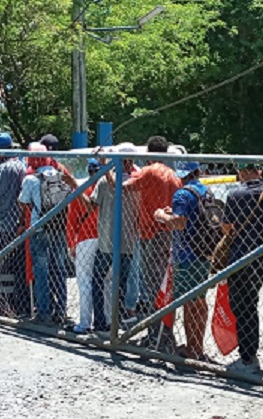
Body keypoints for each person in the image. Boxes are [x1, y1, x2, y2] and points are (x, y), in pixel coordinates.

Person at [120, 136, 181, 344]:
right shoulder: (173, 175)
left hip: (150, 233)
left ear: (149, 151)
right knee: (163, 286)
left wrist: (110, 171)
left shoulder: (148, 171)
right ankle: (163, 332)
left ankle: (157, 336)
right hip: (168, 233)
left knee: (152, 286)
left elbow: (125, 187)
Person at [154, 161, 212, 361]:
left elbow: (179, 223)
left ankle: (191, 349)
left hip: (185, 255)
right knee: (201, 301)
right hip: (204, 253)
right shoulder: (206, 191)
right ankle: (199, 346)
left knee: (188, 302)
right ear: (197, 172)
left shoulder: (181, 194)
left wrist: (161, 216)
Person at [223, 163, 263, 373]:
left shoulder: (235, 195)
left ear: (242, 172)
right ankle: (250, 353)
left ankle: (246, 355)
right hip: (262, 257)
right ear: (259, 172)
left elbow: (227, 227)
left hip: (239, 256)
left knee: (240, 305)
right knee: (252, 303)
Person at [18, 143, 72, 324]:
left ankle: (44, 312)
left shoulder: (31, 179)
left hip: (39, 228)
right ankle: (61, 310)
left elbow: (24, 202)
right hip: (59, 227)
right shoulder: (62, 176)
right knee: (59, 268)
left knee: (41, 270)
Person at [90, 145, 141, 332]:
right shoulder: (138, 182)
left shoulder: (105, 181)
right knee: (121, 282)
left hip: (106, 240)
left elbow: (92, 205)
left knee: (98, 280)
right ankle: (116, 320)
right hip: (128, 241)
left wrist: (76, 190)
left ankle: (101, 322)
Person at [0, 132, 27, 316]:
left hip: (2, 222)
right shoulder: (21, 164)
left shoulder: (4, 168)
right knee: (14, 264)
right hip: (16, 220)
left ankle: (3, 304)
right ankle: (16, 303)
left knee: (1, 265)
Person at [66, 158, 101, 333]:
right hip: (106, 240)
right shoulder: (110, 189)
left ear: (89, 171)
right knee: (107, 282)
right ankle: (107, 322)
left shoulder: (81, 189)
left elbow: (72, 220)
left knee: (85, 281)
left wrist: (71, 244)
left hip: (85, 239)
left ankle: (85, 323)